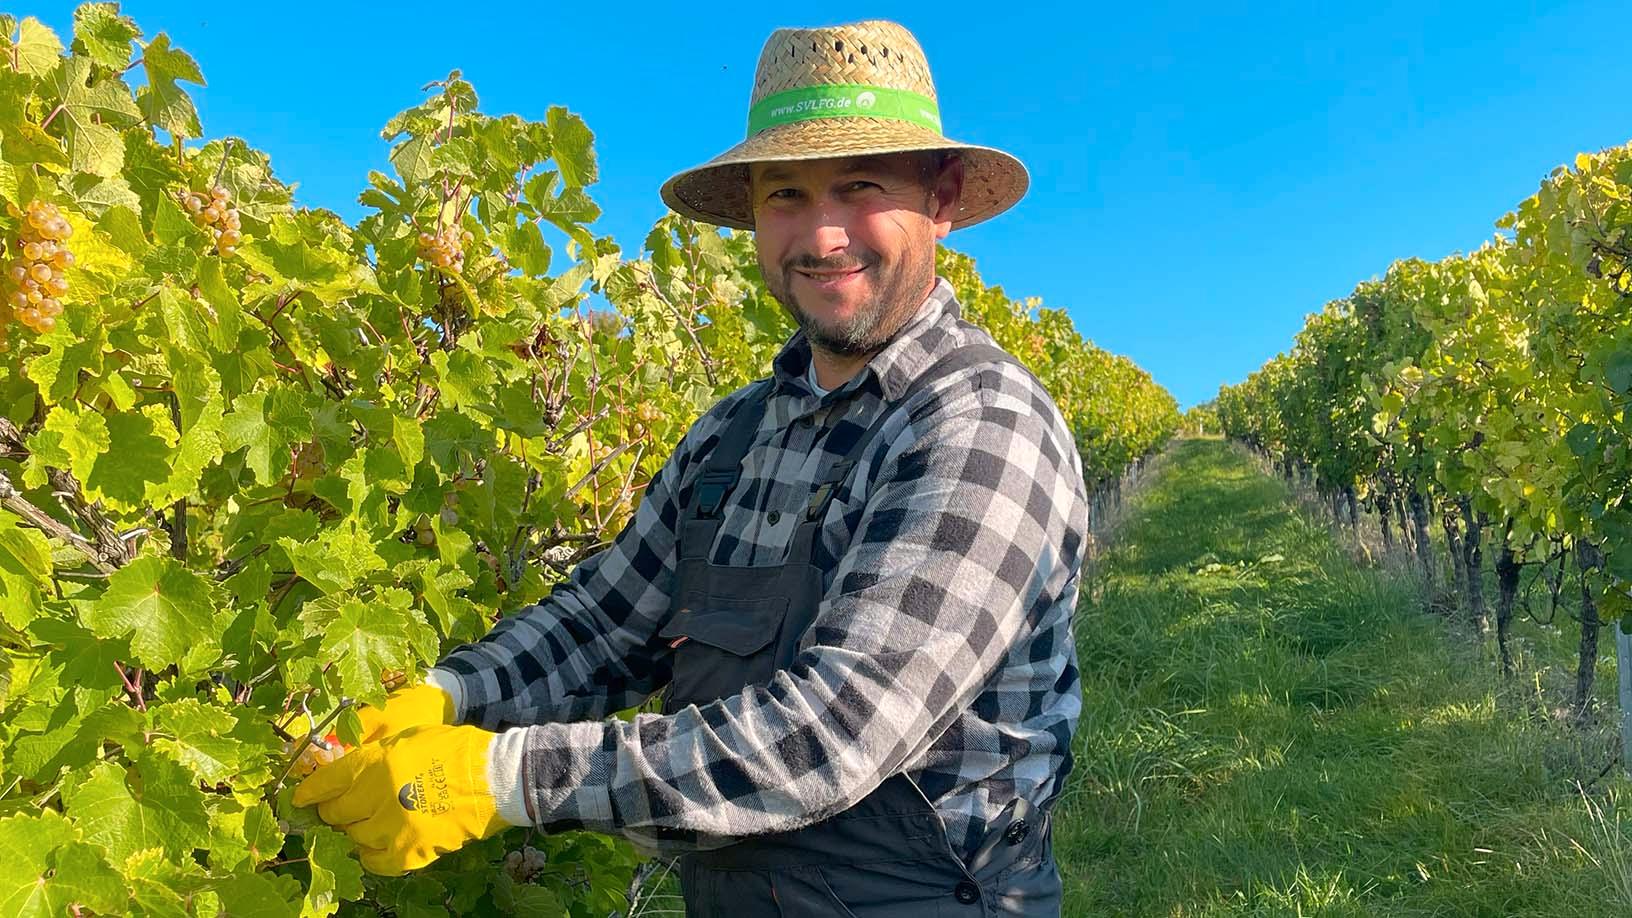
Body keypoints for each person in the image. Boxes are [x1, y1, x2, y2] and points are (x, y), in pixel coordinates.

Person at [294, 19, 1087, 916]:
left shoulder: (980, 425)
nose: (822, 235)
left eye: (859, 186)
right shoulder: (735, 434)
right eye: (787, 194)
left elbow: (831, 735)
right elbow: (605, 621)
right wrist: (443, 697)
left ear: (940, 198)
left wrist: (496, 779)